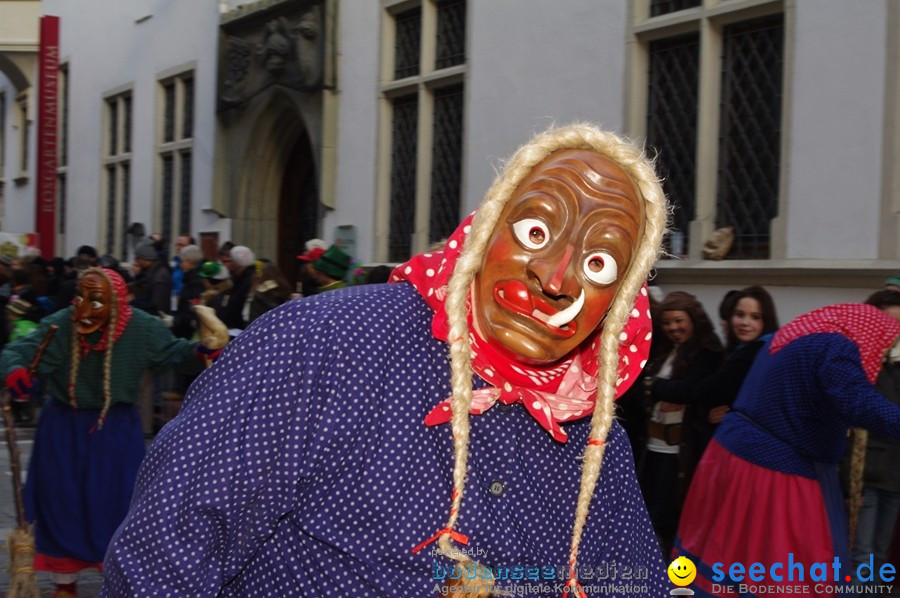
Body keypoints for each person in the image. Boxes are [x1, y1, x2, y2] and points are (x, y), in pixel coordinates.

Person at [101, 124, 670, 597]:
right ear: (485, 225)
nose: (554, 278)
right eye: (535, 229)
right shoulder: (318, 346)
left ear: (620, 303)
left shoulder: (595, 438)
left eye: (599, 264)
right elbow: (163, 556)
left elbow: (631, 581)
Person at [1, 267, 225, 598]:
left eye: (96, 301)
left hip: (116, 432)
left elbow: (174, 351)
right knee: (62, 502)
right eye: (79, 297)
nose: (83, 308)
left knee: (116, 504)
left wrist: (200, 352)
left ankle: (118, 577)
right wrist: (16, 369)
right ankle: (65, 586)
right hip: (63, 429)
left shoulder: (142, 327)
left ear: (117, 303)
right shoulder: (61, 324)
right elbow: (17, 350)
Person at [674, 303, 900, 597]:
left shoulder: (797, 334)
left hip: (734, 457)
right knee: (783, 568)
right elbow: (859, 402)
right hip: (774, 471)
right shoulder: (837, 347)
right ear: (872, 333)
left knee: (727, 554)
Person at [637, 291, 722, 557]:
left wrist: (657, 387)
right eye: (667, 322)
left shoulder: (707, 353)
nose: (673, 328)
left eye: (679, 321)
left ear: (693, 320)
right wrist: (658, 389)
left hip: (681, 452)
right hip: (651, 447)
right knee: (647, 511)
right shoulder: (663, 351)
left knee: (668, 516)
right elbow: (639, 387)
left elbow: (690, 391)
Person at [843, 290, 900, 581]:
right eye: (888, 325)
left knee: (880, 555)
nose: (894, 333)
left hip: (895, 474)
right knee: (861, 555)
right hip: (865, 473)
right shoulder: (861, 363)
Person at [690, 286, 779, 456]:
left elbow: (704, 391)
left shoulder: (753, 354)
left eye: (755, 317)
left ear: (767, 321)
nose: (745, 322)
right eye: (740, 315)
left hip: (747, 450)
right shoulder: (746, 349)